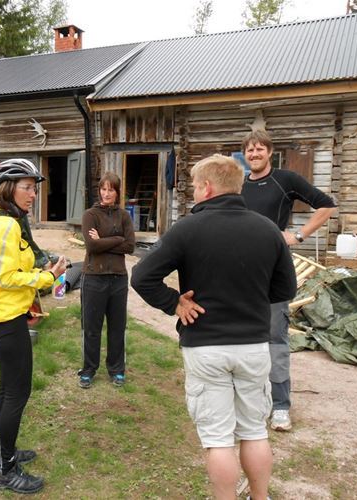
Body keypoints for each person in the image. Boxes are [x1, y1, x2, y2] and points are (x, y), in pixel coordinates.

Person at [131, 154, 297, 500]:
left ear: (207, 187)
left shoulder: (187, 229)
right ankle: (260, 496)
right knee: (254, 431)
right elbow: (285, 291)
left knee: (219, 439)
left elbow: (142, 276)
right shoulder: (268, 230)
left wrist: (175, 301)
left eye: (194, 185)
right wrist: (250, 295)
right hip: (253, 345)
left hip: (205, 346)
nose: (193, 191)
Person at [241, 130, 337, 432]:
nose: (254, 154)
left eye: (259, 149)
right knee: (243, 338)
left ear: (270, 152)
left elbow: (326, 206)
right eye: (249, 150)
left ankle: (281, 406)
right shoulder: (239, 185)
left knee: (275, 338)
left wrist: (298, 235)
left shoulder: (286, 180)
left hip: (273, 273)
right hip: (241, 273)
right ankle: (253, 400)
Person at [0, 158, 67, 494]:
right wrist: (49, 277)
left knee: (8, 389)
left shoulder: (7, 220)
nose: (33, 194)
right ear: (8, 188)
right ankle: (4, 469)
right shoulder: (4, 226)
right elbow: (6, 276)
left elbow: (18, 263)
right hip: (6, 317)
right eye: (27, 187)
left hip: (6, 314)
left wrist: (43, 264)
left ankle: (2, 452)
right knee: (17, 392)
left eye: (34, 188)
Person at [78, 171, 135, 389]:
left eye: (111, 189)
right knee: (91, 327)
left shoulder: (124, 216)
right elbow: (91, 246)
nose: (107, 193)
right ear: (99, 190)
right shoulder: (90, 215)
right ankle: (88, 370)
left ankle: (116, 369)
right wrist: (117, 239)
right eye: (103, 188)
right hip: (93, 277)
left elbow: (130, 246)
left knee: (117, 327)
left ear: (117, 192)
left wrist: (104, 240)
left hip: (118, 278)